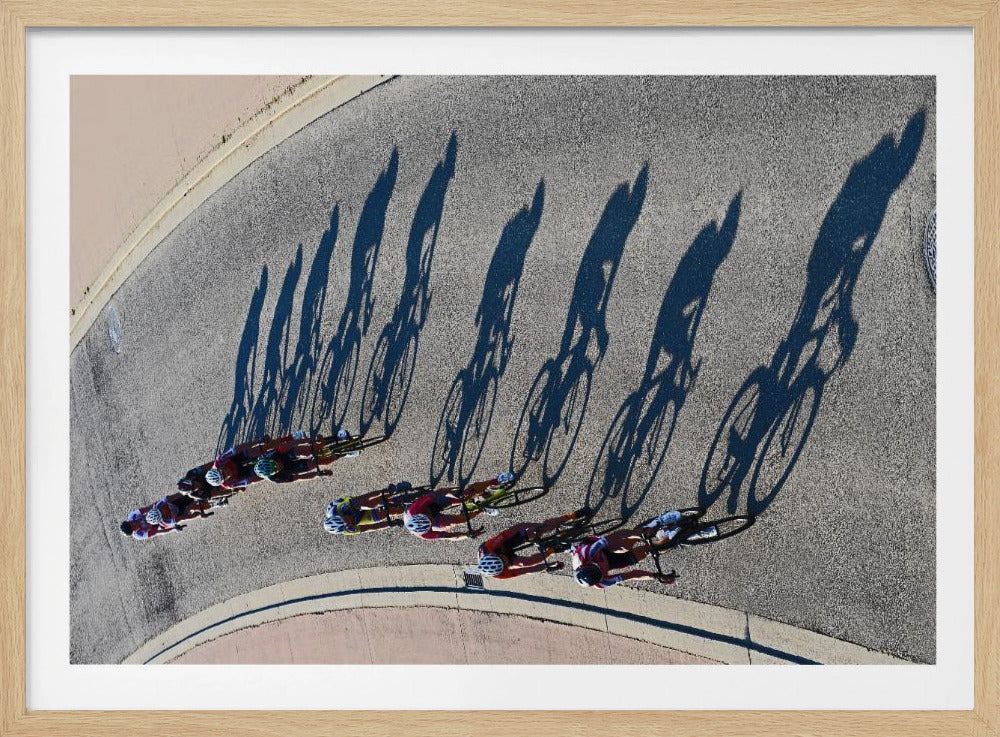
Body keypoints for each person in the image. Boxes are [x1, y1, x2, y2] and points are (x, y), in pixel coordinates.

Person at [570, 509, 710, 588]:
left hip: (602, 547)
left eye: (599, 566)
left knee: (626, 545)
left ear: (589, 563)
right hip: (614, 561)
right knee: (652, 550)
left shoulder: (586, 553)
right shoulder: (603, 582)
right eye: (603, 571)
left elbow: (617, 535)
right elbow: (631, 575)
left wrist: (639, 535)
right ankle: (674, 536)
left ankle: (656, 523)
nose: (603, 567)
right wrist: (655, 576)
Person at [475, 507, 591, 579]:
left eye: (502, 559)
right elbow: (526, 570)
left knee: (538, 530)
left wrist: (538, 526)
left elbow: (517, 527)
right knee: (525, 562)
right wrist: (546, 565)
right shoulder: (501, 574)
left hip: (503, 545)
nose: (505, 560)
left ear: (494, 554)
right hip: (502, 559)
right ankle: (551, 550)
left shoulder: (491, 546)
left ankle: (571, 516)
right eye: (504, 563)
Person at [403, 472, 514, 540]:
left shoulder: (416, 508)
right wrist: (467, 535)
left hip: (431, 505)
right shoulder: (426, 534)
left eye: (429, 517)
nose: (431, 519)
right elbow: (450, 537)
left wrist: (456, 493)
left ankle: (495, 480)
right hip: (432, 518)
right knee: (456, 521)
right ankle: (482, 510)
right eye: (431, 522)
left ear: (421, 515)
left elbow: (440, 492)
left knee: (465, 496)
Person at [323, 482, 412, 535]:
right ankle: (407, 507)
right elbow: (371, 527)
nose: (348, 519)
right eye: (347, 523)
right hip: (359, 518)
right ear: (346, 527)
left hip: (351, 506)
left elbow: (365, 497)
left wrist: (384, 491)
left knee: (368, 503)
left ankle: (393, 492)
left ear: (340, 516)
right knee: (386, 513)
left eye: (345, 518)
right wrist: (391, 523)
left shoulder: (339, 509)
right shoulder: (348, 530)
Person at [119, 493, 213, 540]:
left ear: (129, 520)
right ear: (133, 532)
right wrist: (173, 529)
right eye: (134, 528)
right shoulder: (139, 535)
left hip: (157, 511)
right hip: (161, 522)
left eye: (132, 524)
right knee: (188, 511)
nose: (135, 525)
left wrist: (183, 493)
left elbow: (149, 507)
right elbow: (158, 532)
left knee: (174, 498)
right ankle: (203, 510)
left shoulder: (133, 515)